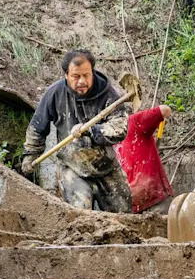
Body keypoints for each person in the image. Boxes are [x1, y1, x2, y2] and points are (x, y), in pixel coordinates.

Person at [21, 50, 132, 212]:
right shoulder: (55, 94)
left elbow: (120, 128)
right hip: (72, 166)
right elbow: (37, 128)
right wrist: (30, 156)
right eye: (76, 76)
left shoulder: (107, 94)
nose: (82, 81)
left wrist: (92, 130)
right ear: (66, 75)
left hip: (105, 166)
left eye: (86, 75)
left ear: (92, 72)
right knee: (80, 213)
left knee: (125, 215)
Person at [117, 105, 174, 213]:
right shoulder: (104, 138)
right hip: (130, 207)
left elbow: (165, 110)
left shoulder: (133, 122)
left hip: (155, 201)